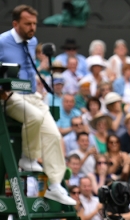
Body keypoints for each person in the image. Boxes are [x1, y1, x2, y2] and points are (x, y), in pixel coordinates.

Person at [0, 5, 74, 205]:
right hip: (10, 96)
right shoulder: (2, 42)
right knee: (34, 117)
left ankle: (55, 185)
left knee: (54, 135)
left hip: (32, 96)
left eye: (34, 23)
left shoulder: (32, 41)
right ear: (15, 24)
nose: (33, 27)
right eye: (28, 24)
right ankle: (29, 159)